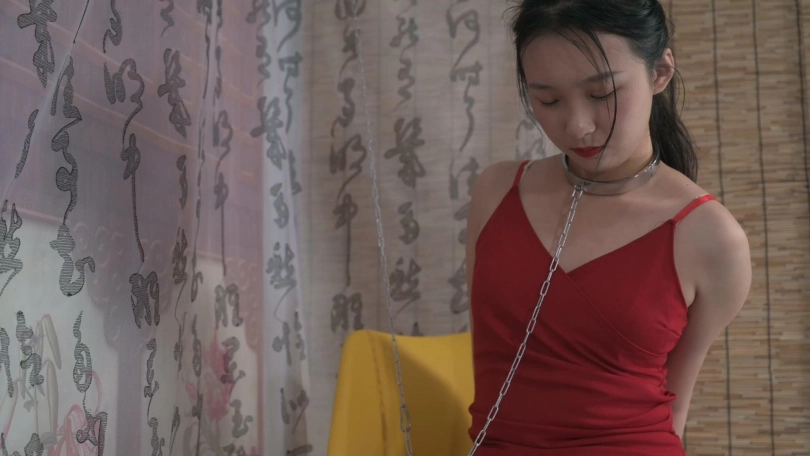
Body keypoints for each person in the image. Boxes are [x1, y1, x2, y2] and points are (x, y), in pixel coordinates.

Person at [464, 1, 752, 455]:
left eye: (602, 94)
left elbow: (674, 407)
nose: (577, 126)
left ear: (660, 72)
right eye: (548, 100)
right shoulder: (496, 192)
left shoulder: (709, 236)